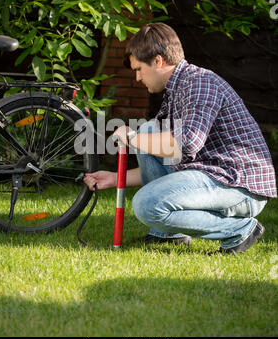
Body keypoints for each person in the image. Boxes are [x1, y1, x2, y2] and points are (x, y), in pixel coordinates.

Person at [84, 22, 277, 254]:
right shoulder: (179, 88)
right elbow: (164, 160)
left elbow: (185, 145)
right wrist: (116, 178)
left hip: (240, 187)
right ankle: (168, 235)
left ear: (158, 61)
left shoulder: (201, 84)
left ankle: (239, 229)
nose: (137, 78)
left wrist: (132, 137)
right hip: (216, 177)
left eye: (139, 70)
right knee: (148, 132)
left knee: (146, 204)